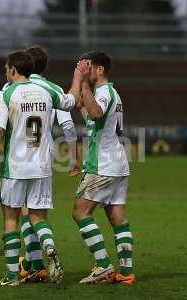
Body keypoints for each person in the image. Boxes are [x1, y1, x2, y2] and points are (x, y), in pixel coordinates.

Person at [0, 50, 87, 286]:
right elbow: (70, 100)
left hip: (15, 167)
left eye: (6, 69)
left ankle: (11, 276)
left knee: (11, 219)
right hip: (42, 166)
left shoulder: (6, 93)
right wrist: (78, 78)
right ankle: (48, 245)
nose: (5, 73)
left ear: (12, 69)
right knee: (38, 217)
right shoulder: (49, 90)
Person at [17, 45, 81, 283]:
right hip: (44, 156)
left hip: (18, 156)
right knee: (39, 214)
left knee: (23, 210)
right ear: (45, 66)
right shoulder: (52, 89)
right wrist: (74, 158)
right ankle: (45, 252)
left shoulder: (13, 87)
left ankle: (34, 264)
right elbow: (68, 127)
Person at [72, 51, 134, 285]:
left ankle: (104, 266)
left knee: (80, 212)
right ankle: (126, 272)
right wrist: (81, 99)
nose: (85, 72)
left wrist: (85, 89)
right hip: (117, 163)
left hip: (103, 165)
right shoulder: (109, 93)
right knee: (117, 217)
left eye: (89, 67)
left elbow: (97, 112)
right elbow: (92, 115)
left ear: (100, 70)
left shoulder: (105, 91)